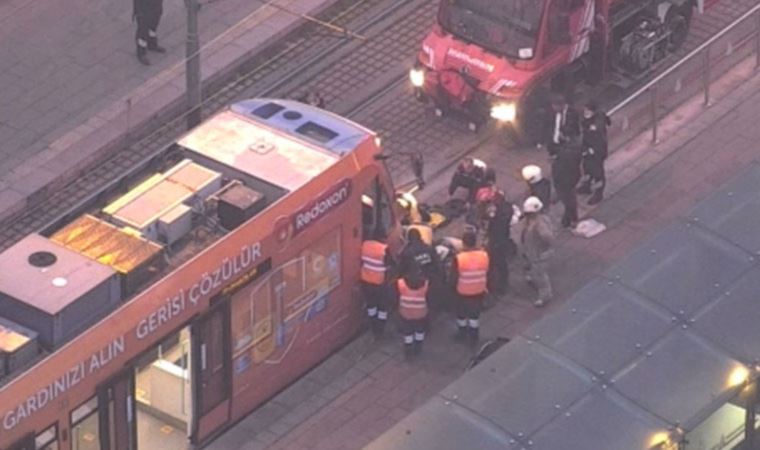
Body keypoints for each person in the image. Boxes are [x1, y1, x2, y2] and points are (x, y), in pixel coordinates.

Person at [451, 230, 489, 345]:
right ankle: (474, 336)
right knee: (474, 315)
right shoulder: (484, 255)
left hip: (463, 291)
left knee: (461, 313)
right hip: (479, 290)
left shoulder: (459, 258)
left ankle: (462, 333)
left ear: (463, 243)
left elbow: (453, 277)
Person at [520, 197, 555, 307]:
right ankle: (531, 277)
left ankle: (545, 295)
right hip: (531, 251)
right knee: (530, 267)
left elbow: (547, 237)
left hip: (538, 254)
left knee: (540, 275)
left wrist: (544, 249)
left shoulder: (540, 224)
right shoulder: (533, 221)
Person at [360, 229, 395, 337]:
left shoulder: (365, 244)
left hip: (365, 280)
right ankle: (380, 329)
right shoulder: (383, 249)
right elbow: (389, 263)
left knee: (371, 304)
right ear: (382, 238)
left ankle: (373, 324)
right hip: (379, 282)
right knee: (382, 306)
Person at [484, 191, 519, 296]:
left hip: (498, 240)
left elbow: (494, 225)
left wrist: (492, 216)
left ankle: (501, 285)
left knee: (499, 263)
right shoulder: (507, 208)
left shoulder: (499, 213)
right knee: (500, 262)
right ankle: (500, 283)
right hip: (501, 237)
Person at [577, 102, 611, 205]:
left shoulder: (597, 121)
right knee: (587, 168)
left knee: (597, 173)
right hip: (587, 148)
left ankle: (598, 193)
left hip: (597, 151)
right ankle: (586, 186)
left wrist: (593, 150)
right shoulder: (587, 120)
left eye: (588, 111)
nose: (585, 113)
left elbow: (597, 134)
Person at [396, 268, 429, 359]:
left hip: (405, 312)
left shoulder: (401, 283)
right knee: (419, 330)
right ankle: (418, 348)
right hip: (420, 313)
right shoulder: (425, 284)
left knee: (407, 331)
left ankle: (408, 351)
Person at [539, 93, 581, 159]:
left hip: (568, 144)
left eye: (555, 107)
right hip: (555, 144)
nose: (554, 109)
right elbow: (550, 126)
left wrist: (565, 134)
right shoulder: (553, 113)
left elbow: (573, 127)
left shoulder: (572, 112)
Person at [551, 146, 582, 228]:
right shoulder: (567, 156)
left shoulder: (556, 164)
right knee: (571, 203)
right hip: (569, 184)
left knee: (569, 203)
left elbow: (556, 178)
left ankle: (569, 221)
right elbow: (576, 169)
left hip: (564, 186)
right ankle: (569, 220)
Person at [133, 0, 165, 66]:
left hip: (156, 6)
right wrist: (138, 11)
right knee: (143, 31)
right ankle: (141, 52)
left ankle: (152, 44)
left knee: (153, 27)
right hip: (144, 9)